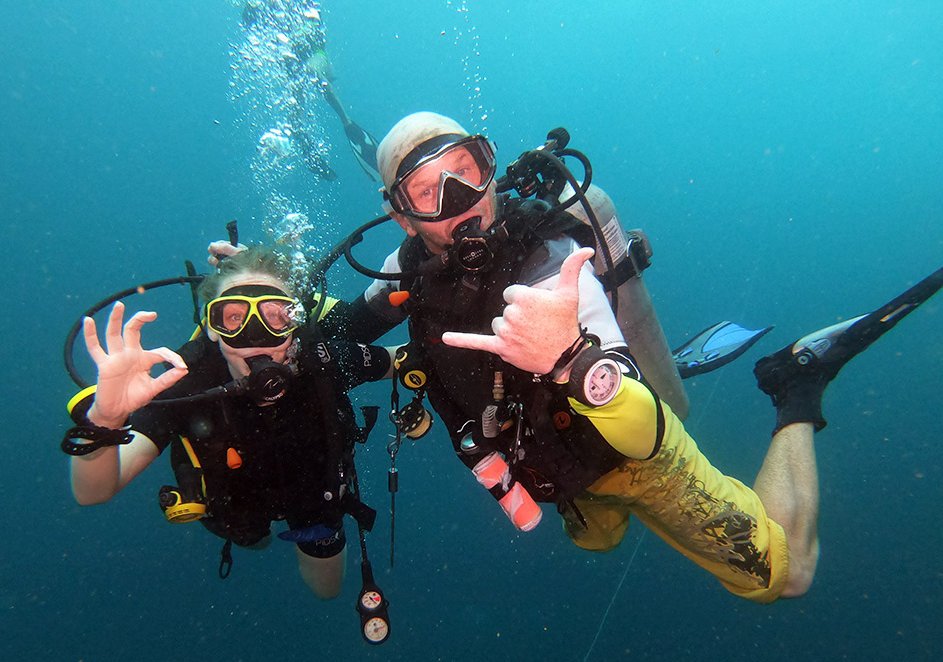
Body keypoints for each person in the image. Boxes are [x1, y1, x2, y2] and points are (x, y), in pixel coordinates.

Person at [337, 111, 941, 602]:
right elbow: (336, 328)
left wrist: (570, 362)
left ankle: (797, 383)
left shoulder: (552, 261)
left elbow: (641, 433)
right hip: (557, 467)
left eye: (468, 173)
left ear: (490, 171)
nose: (460, 200)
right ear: (402, 216)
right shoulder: (404, 272)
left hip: (636, 454)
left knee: (788, 576)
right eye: (428, 190)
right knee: (597, 542)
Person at [66, 245, 393, 599]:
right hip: (236, 510)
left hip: (315, 504)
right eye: (234, 317)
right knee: (252, 537)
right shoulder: (186, 381)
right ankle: (256, 535)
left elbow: (404, 361)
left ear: (296, 321)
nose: (255, 336)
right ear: (210, 327)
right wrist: (106, 420)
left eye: (275, 315)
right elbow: (92, 493)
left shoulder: (323, 362)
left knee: (326, 590)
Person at [239, 0, 380, 182]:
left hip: (317, 56)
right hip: (293, 70)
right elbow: (250, 24)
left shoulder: (300, 4)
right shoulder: (262, 6)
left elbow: (315, 26)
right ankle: (311, 156)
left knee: (312, 72)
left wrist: (304, 31)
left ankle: (346, 121)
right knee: (293, 119)